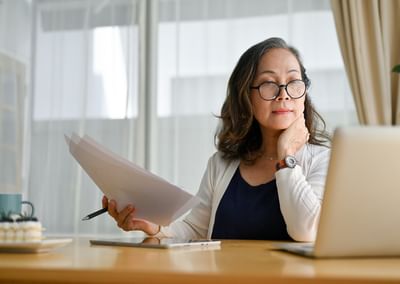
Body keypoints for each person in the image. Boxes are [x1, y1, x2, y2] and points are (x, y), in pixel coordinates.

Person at [102, 37, 331, 242]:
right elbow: (194, 229)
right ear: (246, 96)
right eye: (268, 83)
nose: (284, 93)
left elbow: (307, 232)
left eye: (293, 82)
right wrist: (156, 228)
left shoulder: (323, 160)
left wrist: (286, 157)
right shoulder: (220, 164)